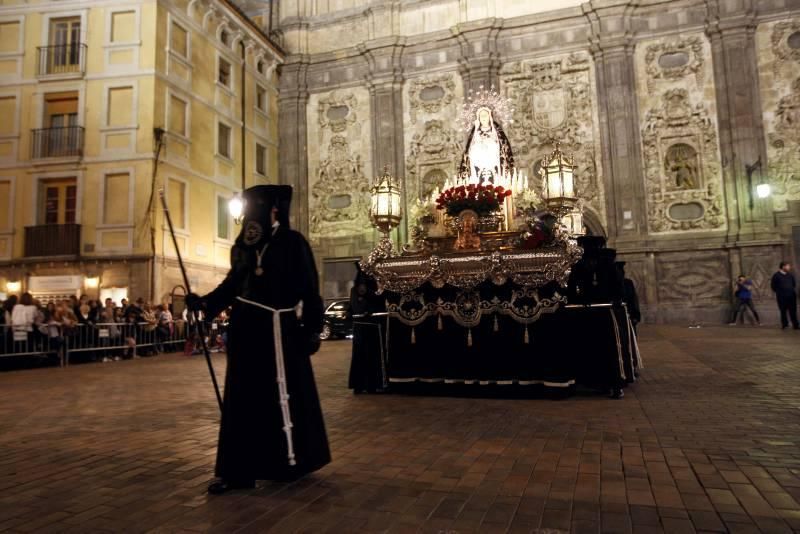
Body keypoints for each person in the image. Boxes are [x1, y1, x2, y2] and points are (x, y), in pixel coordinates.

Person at [187, 184, 330, 494]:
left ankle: (289, 462)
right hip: (246, 330)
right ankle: (238, 471)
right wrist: (205, 303)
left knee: (283, 397)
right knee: (242, 401)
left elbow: (310, 292)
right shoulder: (244, 247)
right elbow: (231, 286)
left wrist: (312, 330)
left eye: (256, 209)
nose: (250, 217)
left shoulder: (293, 243)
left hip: (282, 331)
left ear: (274, 210)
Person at [771, 261, 799, 330]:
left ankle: (795, 325)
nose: (789, 267)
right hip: (782, 297)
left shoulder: (790, 275)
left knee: (793, 311)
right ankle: (785, 325)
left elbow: (793, 284)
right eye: (788, 266)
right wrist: (780, 292)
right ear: (783, 266)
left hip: (791, 296)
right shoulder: (776, 275)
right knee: (783, 311)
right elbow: (773, 286)